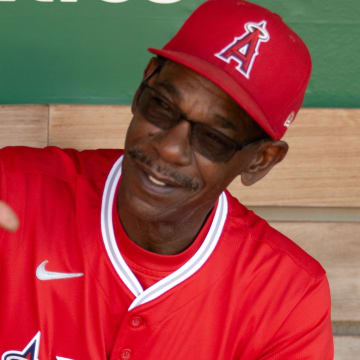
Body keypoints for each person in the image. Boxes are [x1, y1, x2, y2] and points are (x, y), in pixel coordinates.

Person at [0, 0, 333, 358]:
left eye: (213, 138)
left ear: (259, 161)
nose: (171, 148)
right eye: (162, 106)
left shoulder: (288, 298)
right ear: (143, 83)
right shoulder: (13, 191)